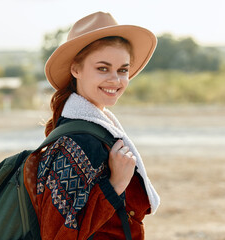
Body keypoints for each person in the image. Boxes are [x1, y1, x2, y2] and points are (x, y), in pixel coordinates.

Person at [24, 11, 160, 239]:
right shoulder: (76, 142)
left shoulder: (96, 131)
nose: (116, 80)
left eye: (123, 70)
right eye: (103, 68)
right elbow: (56, 234)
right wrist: (115, 185)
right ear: (76, 69)